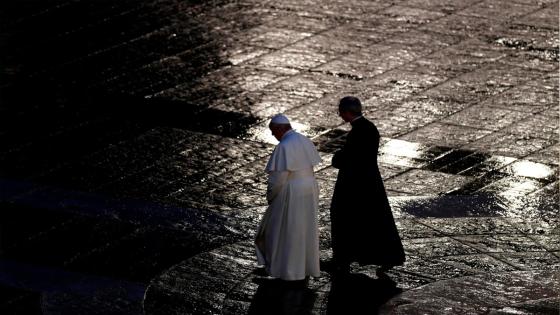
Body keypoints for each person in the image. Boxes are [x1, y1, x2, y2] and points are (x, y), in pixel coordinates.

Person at [329, 96, 405, 275]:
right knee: (374, 220)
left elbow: (348, 158)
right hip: (369, 182)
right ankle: (385, 257)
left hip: (354, 184)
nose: (340, 115)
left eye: (341, 111)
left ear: (347, 112)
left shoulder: (357, 132)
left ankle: (343, 258)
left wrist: (337, 157)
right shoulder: (369, 128)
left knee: (343, 218)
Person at [255, 114, 322, 281]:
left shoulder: (284, 146)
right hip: (309, 188)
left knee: (280, 231)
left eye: (273, 131)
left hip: (291, 191)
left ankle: (283, 270)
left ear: (279, 128)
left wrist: (271, 196)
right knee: (303, 230)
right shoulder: (304, 140)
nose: (272, 135)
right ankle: (303, 268)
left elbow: (278, 179)